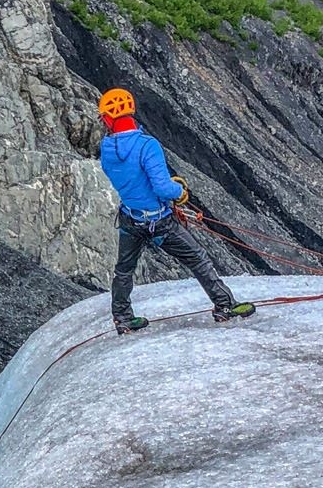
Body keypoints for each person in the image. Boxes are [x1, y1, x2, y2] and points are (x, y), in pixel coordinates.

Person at [98, 88, 256, 335]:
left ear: (108, 118)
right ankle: (224, 305)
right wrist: (179, 192)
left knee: (124, 269)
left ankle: (123, 318)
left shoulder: (106, 148)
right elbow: (162, 186)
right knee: (197, 257)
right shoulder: (146, 146)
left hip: (130, 217)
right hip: (159, 221)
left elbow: (128, 179)